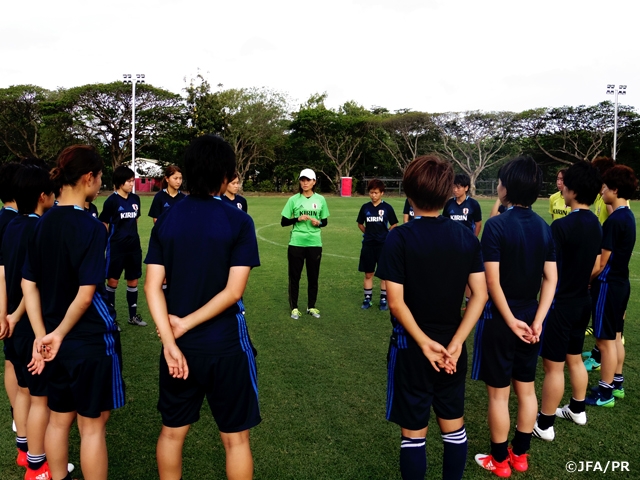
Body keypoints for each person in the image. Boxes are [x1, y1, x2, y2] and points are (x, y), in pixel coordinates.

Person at [144, 134, 261, 480]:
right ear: (226, 175)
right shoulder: (238, 220)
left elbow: (152, 286)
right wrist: (181, 327)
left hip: (178, 348)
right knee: (236, 440)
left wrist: (170, 340)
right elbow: (233, 291)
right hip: (225, 343)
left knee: (172, 432)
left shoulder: (167, 218)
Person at [377, 155, 488, 480]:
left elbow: (395, 303)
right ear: (447, 192)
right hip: (452, 350)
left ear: (408, 192)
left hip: (411, 347)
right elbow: (479, 295)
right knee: (453, 425)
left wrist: (425, 344)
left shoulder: (399, 236)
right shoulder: (466, 236)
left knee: (414, 434)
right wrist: (455, 344)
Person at [22, 144, 124, 480]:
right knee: (92, 426)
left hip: (54, 340)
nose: (100, 184)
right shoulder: (92, 227)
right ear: (87, 178)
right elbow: (85, 295)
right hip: (86, 340)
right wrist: (58, 334)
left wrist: (43, 335)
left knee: (59, 418)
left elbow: (28, 284)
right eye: (99, 178)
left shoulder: (39, 223)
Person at [472, 156, 557, 477]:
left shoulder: (496, 225)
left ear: (507, 187)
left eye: (500, 181)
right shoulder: (544, 228)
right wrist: (538, 320)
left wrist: (509, 320)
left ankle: (499, 460)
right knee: (526, 388)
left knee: (498, 394)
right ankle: (520, 455)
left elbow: (491, 281)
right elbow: (551, 279)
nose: (497, 186)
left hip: (501, 320)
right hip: (530, 319)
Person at [534, 161, 602, 441]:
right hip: (582, 300)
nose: (562, 187)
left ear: (572, 190)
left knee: (553, 365)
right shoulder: (596, 224)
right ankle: (577, 409)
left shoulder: (561, 226)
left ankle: (545, 424)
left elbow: (547, 269)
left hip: (560, 304)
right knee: (574, 357)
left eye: (565, 184)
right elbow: (596, 264)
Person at [2, 165, 62, 479]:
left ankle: (25, 452)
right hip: (29, 327)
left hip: (13, 326)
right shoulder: (40, 229)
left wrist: (4, 315)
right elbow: (32, 283)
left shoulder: (11, 225)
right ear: (43, 196)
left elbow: (2, 274)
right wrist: (19, 318)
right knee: (42, 400)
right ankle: (38, 467)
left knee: (25, 392)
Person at [586, 165, 637, 408]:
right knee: (615, 337)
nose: (602, 192)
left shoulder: (615, 221)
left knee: (605, 341)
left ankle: (604, 393)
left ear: (615, 190)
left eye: (605, 188)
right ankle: (616, 384)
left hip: (608, 285)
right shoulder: (628, 214)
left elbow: (602, 262)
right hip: (621, 284)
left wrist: (588, 280)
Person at [99, 166, 147, 326]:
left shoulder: (135, 199)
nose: (132, 184)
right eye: (129, 181)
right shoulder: (111, 201)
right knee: (113, 281)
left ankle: (133, 316)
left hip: (133, 247)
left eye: (133, 180)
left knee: (133, 280)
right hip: (116, 247)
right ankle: (111, 319)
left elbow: (135, 220)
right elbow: (104, 223)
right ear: (120, 182)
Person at [281, 168, 329, 320]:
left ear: (314, 182)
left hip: (314, 243)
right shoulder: (293, 200)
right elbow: (283, 221)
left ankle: (311, 306)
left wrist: (318, 223)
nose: (305, 183)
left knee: (313, 277)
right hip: (296, 242)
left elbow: (325, 221)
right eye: (302, 180)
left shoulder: (320, 199)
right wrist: (297, 219)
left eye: (308, 180)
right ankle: (294, 307)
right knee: (294, 277)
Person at [0, 162, 22, 435]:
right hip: (19, 305)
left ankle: (19, 419)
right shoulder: (19, 222)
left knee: (11, 362)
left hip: (8, 305)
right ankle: (25, 430)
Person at [357, 179, 398, 310]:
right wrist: (368, 233)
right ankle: (367, 299)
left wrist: (386, 235)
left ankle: (383, 300)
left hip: (383, 245)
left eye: (376, 193)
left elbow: (394, 224)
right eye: (371, 192)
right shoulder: (365, 207)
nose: (373, 195)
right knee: (368, 273)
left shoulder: (387, 208)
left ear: (382, 193)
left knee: (384, 274)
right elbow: (360, 224)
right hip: (368, 244)